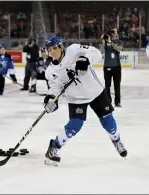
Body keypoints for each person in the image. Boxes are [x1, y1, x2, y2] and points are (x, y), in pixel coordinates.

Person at [43, 37, 127, 167]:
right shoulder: (50, 71)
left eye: (54, 48)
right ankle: (54, 147)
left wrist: (85, 59)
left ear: (61, 47)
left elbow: (96, 53)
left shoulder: (74, 50)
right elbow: (55, 88)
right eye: (49, 50)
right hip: (76, 98)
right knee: (75, 126)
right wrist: (51, 99)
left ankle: (117, 141)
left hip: (95, 92)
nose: (52, 52)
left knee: (108, 121)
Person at [101, 28, 124, 107]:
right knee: (107, 85)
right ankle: (108, 101)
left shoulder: (119, 42)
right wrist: (103, 42)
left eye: (114, 31)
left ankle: (117, 102)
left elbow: (119, 49)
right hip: (107, 66)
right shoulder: (106, 42)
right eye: (112, 31)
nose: (114, 33)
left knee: (117, 85)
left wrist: (111, 43)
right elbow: (101, 51)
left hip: (116, 67)